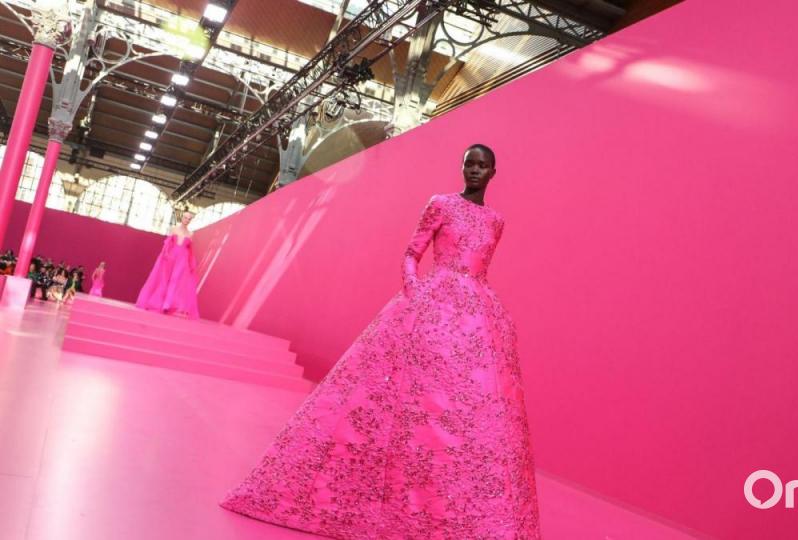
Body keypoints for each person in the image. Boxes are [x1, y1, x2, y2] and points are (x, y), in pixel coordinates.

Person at [221, 144, 541, 538]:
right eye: (468, 164)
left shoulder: (496, 221)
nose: (474, 171)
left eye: (482, 166)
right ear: (461, 168)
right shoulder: (440, 204)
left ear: (494, 172)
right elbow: (411, 254)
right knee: (410, 402)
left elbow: (480, 267)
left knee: (469, 410)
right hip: (431, 305)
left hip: (478, 316)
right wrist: (416, 292)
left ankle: (451, 508)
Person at [135, 211, 200, 318]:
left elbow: (190, 251)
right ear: (182, 217)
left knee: (175, 280)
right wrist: (165, 255)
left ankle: (167, 304)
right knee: (165, 279)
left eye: (189, 219)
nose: (186, 220)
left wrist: (190, 264)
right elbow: (168, 244)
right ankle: (159, 303)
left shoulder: (191, 234)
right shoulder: (174, 229)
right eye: (185, 217)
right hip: (171, 257)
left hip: (182, 259)